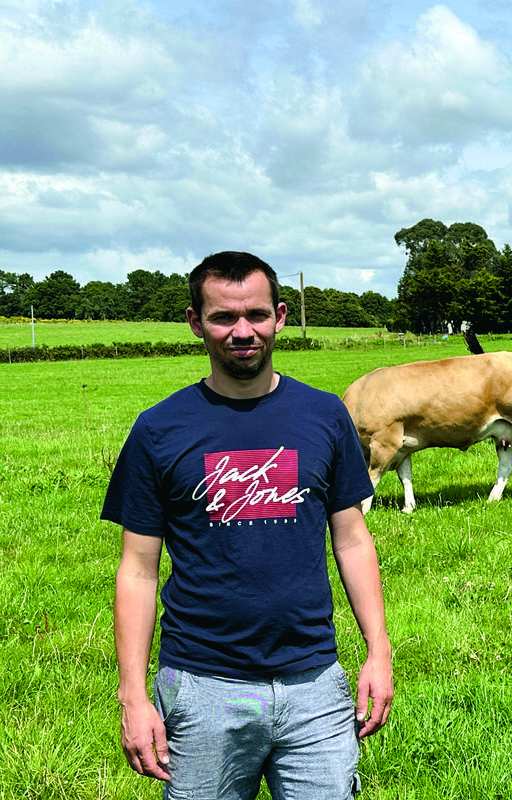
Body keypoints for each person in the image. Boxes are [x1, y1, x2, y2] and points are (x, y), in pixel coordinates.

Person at [104, 251, 393, 798]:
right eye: (222, 318)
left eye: (257, 315)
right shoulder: (159, 429)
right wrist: (133, 697)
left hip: (314, 682)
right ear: (196, 323)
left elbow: (353, 539)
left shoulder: (325, 414)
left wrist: (378, 652)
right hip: (202, 685)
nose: (243, 331)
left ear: (280, 316)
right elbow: (138, 569)